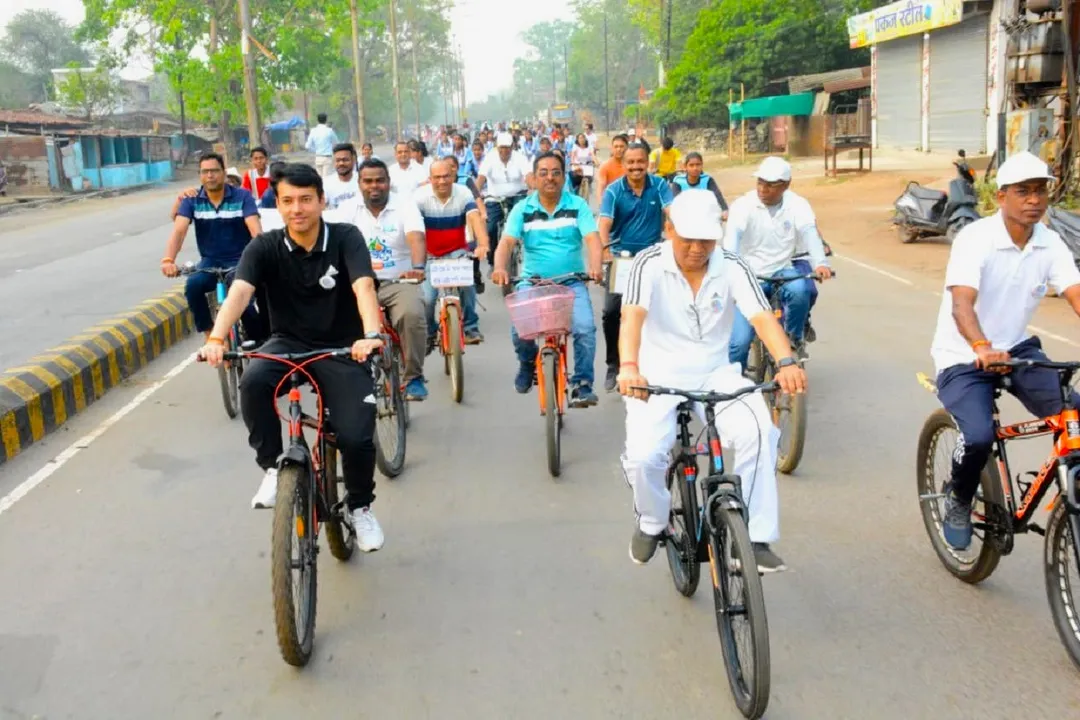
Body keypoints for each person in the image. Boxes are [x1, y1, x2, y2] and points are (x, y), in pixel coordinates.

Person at [198, 164, 386, 551]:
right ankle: (271, 466)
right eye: (287, 201)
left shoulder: (346, 238)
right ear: (278, 205)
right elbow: (240, 292)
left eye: (305, 200)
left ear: (321, 201)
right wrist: (217, 337)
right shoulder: (264, 246)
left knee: (355, 434)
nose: (296, 209)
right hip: (286, 343)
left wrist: (370, 335)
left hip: (343, 346)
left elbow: (364, 287)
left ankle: (360, 507)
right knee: (252, 382)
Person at [617, 190, 806, 571]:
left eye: (706, 239)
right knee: (643, 456)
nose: (698, 248)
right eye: (688, 239)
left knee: (760, 432)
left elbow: (762, 316)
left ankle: (755, 538)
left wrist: (787, 361)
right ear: (669, 230)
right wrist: (628, 366)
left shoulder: (732, 264)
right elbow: (632, 317)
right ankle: (652, 522)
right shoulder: (646, 263)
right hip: (654, 375)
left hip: (716, 373)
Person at [931, 152, 1080, 550]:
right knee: (978, 436)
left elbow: (1075, 292)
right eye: (1023, 191)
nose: (1034, 199)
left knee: (1076, 419)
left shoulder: (1050, 243)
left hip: (1017, 350)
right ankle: (959, 499)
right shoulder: (975, 239)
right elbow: (962, 302)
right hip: (964, 356)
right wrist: (980, 345)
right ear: (1001, 197)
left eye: (1041, 190)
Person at [492, 151, 603, 407]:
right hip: (534, 282)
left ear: (564, 177)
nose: (550, 178)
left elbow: (592, 240)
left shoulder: (578, 206)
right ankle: (527, 363)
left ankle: (583, 384)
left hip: (572, 282)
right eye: (543, 173)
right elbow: (507, 242)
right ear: (533, 178)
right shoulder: (522, 209)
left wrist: (596, 267)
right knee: (521, 330)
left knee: (585, 329)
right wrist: (499, 267)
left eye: (555, 173)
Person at [725, 156, 832, 370]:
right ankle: (735, 384)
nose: (763, 189)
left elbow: (809, 233)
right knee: (738, 343)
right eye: (760, 183)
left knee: (801, 290)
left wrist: (821, 263)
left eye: (771, 185)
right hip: (749, 276)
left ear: (786, 185)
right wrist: (730, 272)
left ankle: (793, 339)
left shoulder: (798, 205)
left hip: (783, 270)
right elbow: (731, 243)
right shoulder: (743, 205)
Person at [339, 159, 431, 401]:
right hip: (357, 285)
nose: (374, 186)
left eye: (380, 180)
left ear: (389, 183)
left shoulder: (405, 205)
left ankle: (414, 377)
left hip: (398, 281)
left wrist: (418, 267)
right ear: (359, 184)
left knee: (411, 314)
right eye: (368, 181)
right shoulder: (347, 210)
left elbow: (416, 237)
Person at [161, 152, 265, 343]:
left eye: (215, 171)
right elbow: (179, 231)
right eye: (205, 172)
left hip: (240, 262)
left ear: (224, 173)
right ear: (200, 175)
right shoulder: (191, 200)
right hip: (209, 262)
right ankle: (210, 335)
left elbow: (255, 231)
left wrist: (262, 257)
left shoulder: (242, 197)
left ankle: (258, 345)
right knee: (193, 286)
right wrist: (168, 260)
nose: (210, 176)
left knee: (245, 302)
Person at [598, 143, 673, 392]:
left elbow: (672, 213)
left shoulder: (660, 186)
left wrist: (677, 238)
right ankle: (613, 364)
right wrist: (605, 249)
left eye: (640, 162)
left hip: (654, 256)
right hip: (622, 259)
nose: (635, 167)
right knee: (611, 311)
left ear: (647, 163)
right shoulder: (613, 190)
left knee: (662, 308)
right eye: (630, 162)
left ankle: (663, 362)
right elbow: (605, 223)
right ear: (624, 164)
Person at [414, 159, 490, 346]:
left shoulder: (463, 193)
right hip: (429, 255)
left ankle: (470, 327)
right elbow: (413, 229)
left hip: (457, 252)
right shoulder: (419, 197)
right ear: (430, 179)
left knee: (467, 286)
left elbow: (474, 218)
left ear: (453, 176)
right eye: (437, 177)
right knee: (428, 299)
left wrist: (483, 243)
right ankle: (430, 331)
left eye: (446, 176)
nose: (442, 181)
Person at [477, 132, 533, 268]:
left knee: (528, 224)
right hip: (494, 198)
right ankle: (493, 262)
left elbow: (529, 176)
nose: (504, 150)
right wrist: (475, 192)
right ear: (497, 147)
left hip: (517, 195)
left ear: (512, 146)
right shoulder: (490, 158)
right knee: (490, 229)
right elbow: (481, 178)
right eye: (501, 147)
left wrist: (533, 188)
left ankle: (527, 254)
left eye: (507, 147)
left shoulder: (519, 158)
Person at [670, 151, 728, 220]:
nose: (695, 168)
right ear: (685, 167)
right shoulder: (678, 181)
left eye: (698, 165)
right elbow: (676, 201)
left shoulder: (707, 179)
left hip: (705, 215)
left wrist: (725, 210)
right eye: (691, 165)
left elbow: (717, 195)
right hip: (685, 217)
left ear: (702, 165)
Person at [323, 143, 360, 210]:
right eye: (338, 160)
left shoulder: (362, 181)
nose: (341, 163)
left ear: (353, 160)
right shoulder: (326, 184)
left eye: (345, 160)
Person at [595, 133, 628, 206]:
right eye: (616, 147)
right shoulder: (605, 166)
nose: (619, 149)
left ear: (627, 148)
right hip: (612, 203)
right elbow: (601, 187)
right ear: (612, 148)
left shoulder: (632, 165)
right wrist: (602, 204)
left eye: (621, 146)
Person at [305, 113, 340, 177]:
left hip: (318, 157)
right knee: (326, 179)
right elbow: (337, 143)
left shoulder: (313, 131)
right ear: (326, 120)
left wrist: (316, 150)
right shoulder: (329, 130)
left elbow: (307, 146)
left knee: (319, 179)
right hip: (327, 157)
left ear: (317, 120)